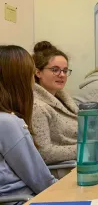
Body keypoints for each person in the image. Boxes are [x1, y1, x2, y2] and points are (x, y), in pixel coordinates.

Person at [31, 41, 98, 167]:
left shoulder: (64, 99)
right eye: (55, 70)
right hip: (66, 169)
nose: (62, 75)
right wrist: (90, 147)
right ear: (38, 72)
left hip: (83, 160)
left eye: (65, 70)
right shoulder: (36, 106)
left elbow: (75, 132)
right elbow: (45, 153)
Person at [0, 45, 57, 199]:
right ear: (19, 80)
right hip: (24, 200)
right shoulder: (7, 123)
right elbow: (41, 181)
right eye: (32, 74)